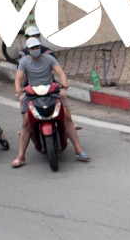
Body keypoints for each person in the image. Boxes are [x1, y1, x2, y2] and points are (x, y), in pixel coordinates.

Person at [12, 37, 88, 167]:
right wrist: (18, 87)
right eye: (32, 48)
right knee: (26, 122)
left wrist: (64, 81)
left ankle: (78, 149)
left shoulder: (49, 59)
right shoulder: (24, 62)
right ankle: (21, 156)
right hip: (32, 94)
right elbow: (18, 78)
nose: (35, 50)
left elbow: (60, 72)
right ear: (28, 49)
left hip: (51, 91)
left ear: (40, 47)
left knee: (66, 116)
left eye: (37, 47)